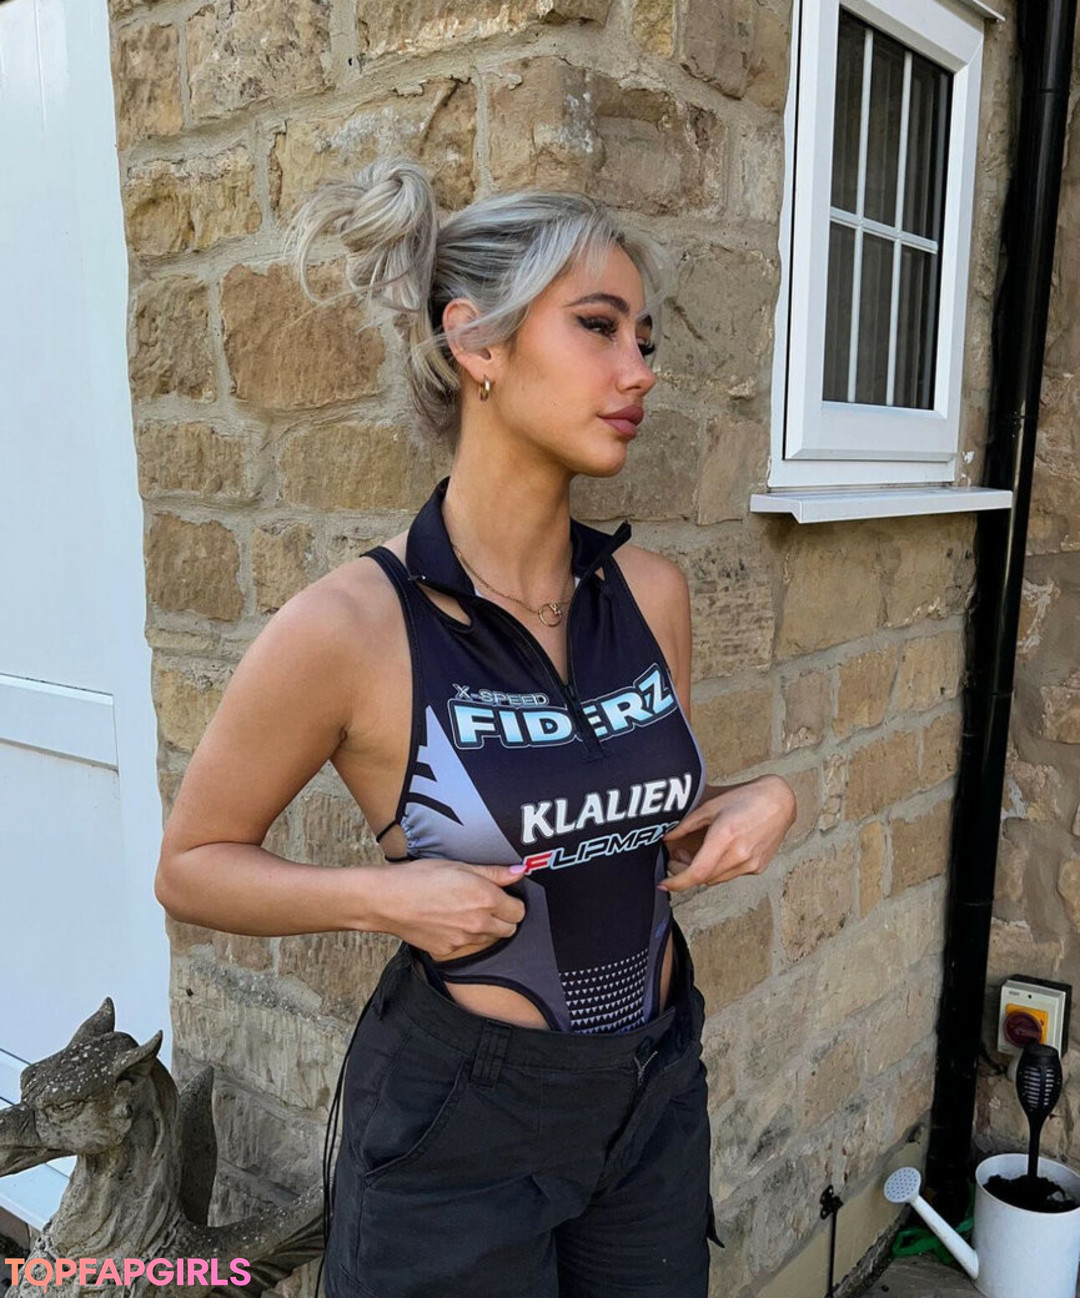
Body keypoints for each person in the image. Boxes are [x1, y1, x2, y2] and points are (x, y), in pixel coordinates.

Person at [153, 155, 798, 1298]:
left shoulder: (649, 593)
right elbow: (192, 865)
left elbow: (629, 812)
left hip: (652, 1085)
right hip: (464, 1119)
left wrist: (757, 798)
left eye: (644, 338)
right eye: (597, 327)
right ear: (477, 343)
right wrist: (383, 897)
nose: (638, 368)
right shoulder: (352, 625)